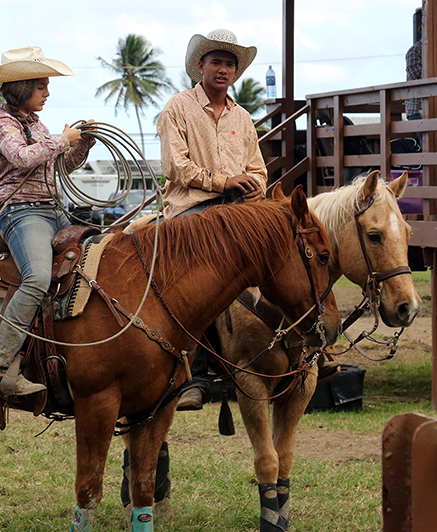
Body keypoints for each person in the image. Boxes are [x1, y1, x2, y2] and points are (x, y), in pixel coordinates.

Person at [157, 29, 267, 411]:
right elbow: (175, 166)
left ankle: (297, 351)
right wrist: (223, 181)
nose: (223, 69)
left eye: (229, 64)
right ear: (200, 66)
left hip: (237, 208)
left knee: (290, 252)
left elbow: (258, 168)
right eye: (216, 62)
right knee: (204, 285)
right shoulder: (178, 107)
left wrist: (255, 186)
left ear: (236, 72)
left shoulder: (243, 117)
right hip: (192, 209)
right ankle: (199, 374)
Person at [0, 46, 96, 398]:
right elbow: (23, 157)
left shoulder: (37, 124)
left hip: (53, 209)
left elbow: (58, 167)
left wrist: (83, 145)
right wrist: (63, 140)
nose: (48, 93)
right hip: (20, 213)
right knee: (37, 278)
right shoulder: (2, 124)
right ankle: (1, 372)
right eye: (42, 86)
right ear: (22, 88)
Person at [405, 12, 437, 147]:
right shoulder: (415, 51)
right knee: (432, 149)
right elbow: (415, 77)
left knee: (436, 149)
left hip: (436, 110)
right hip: (419, 109)